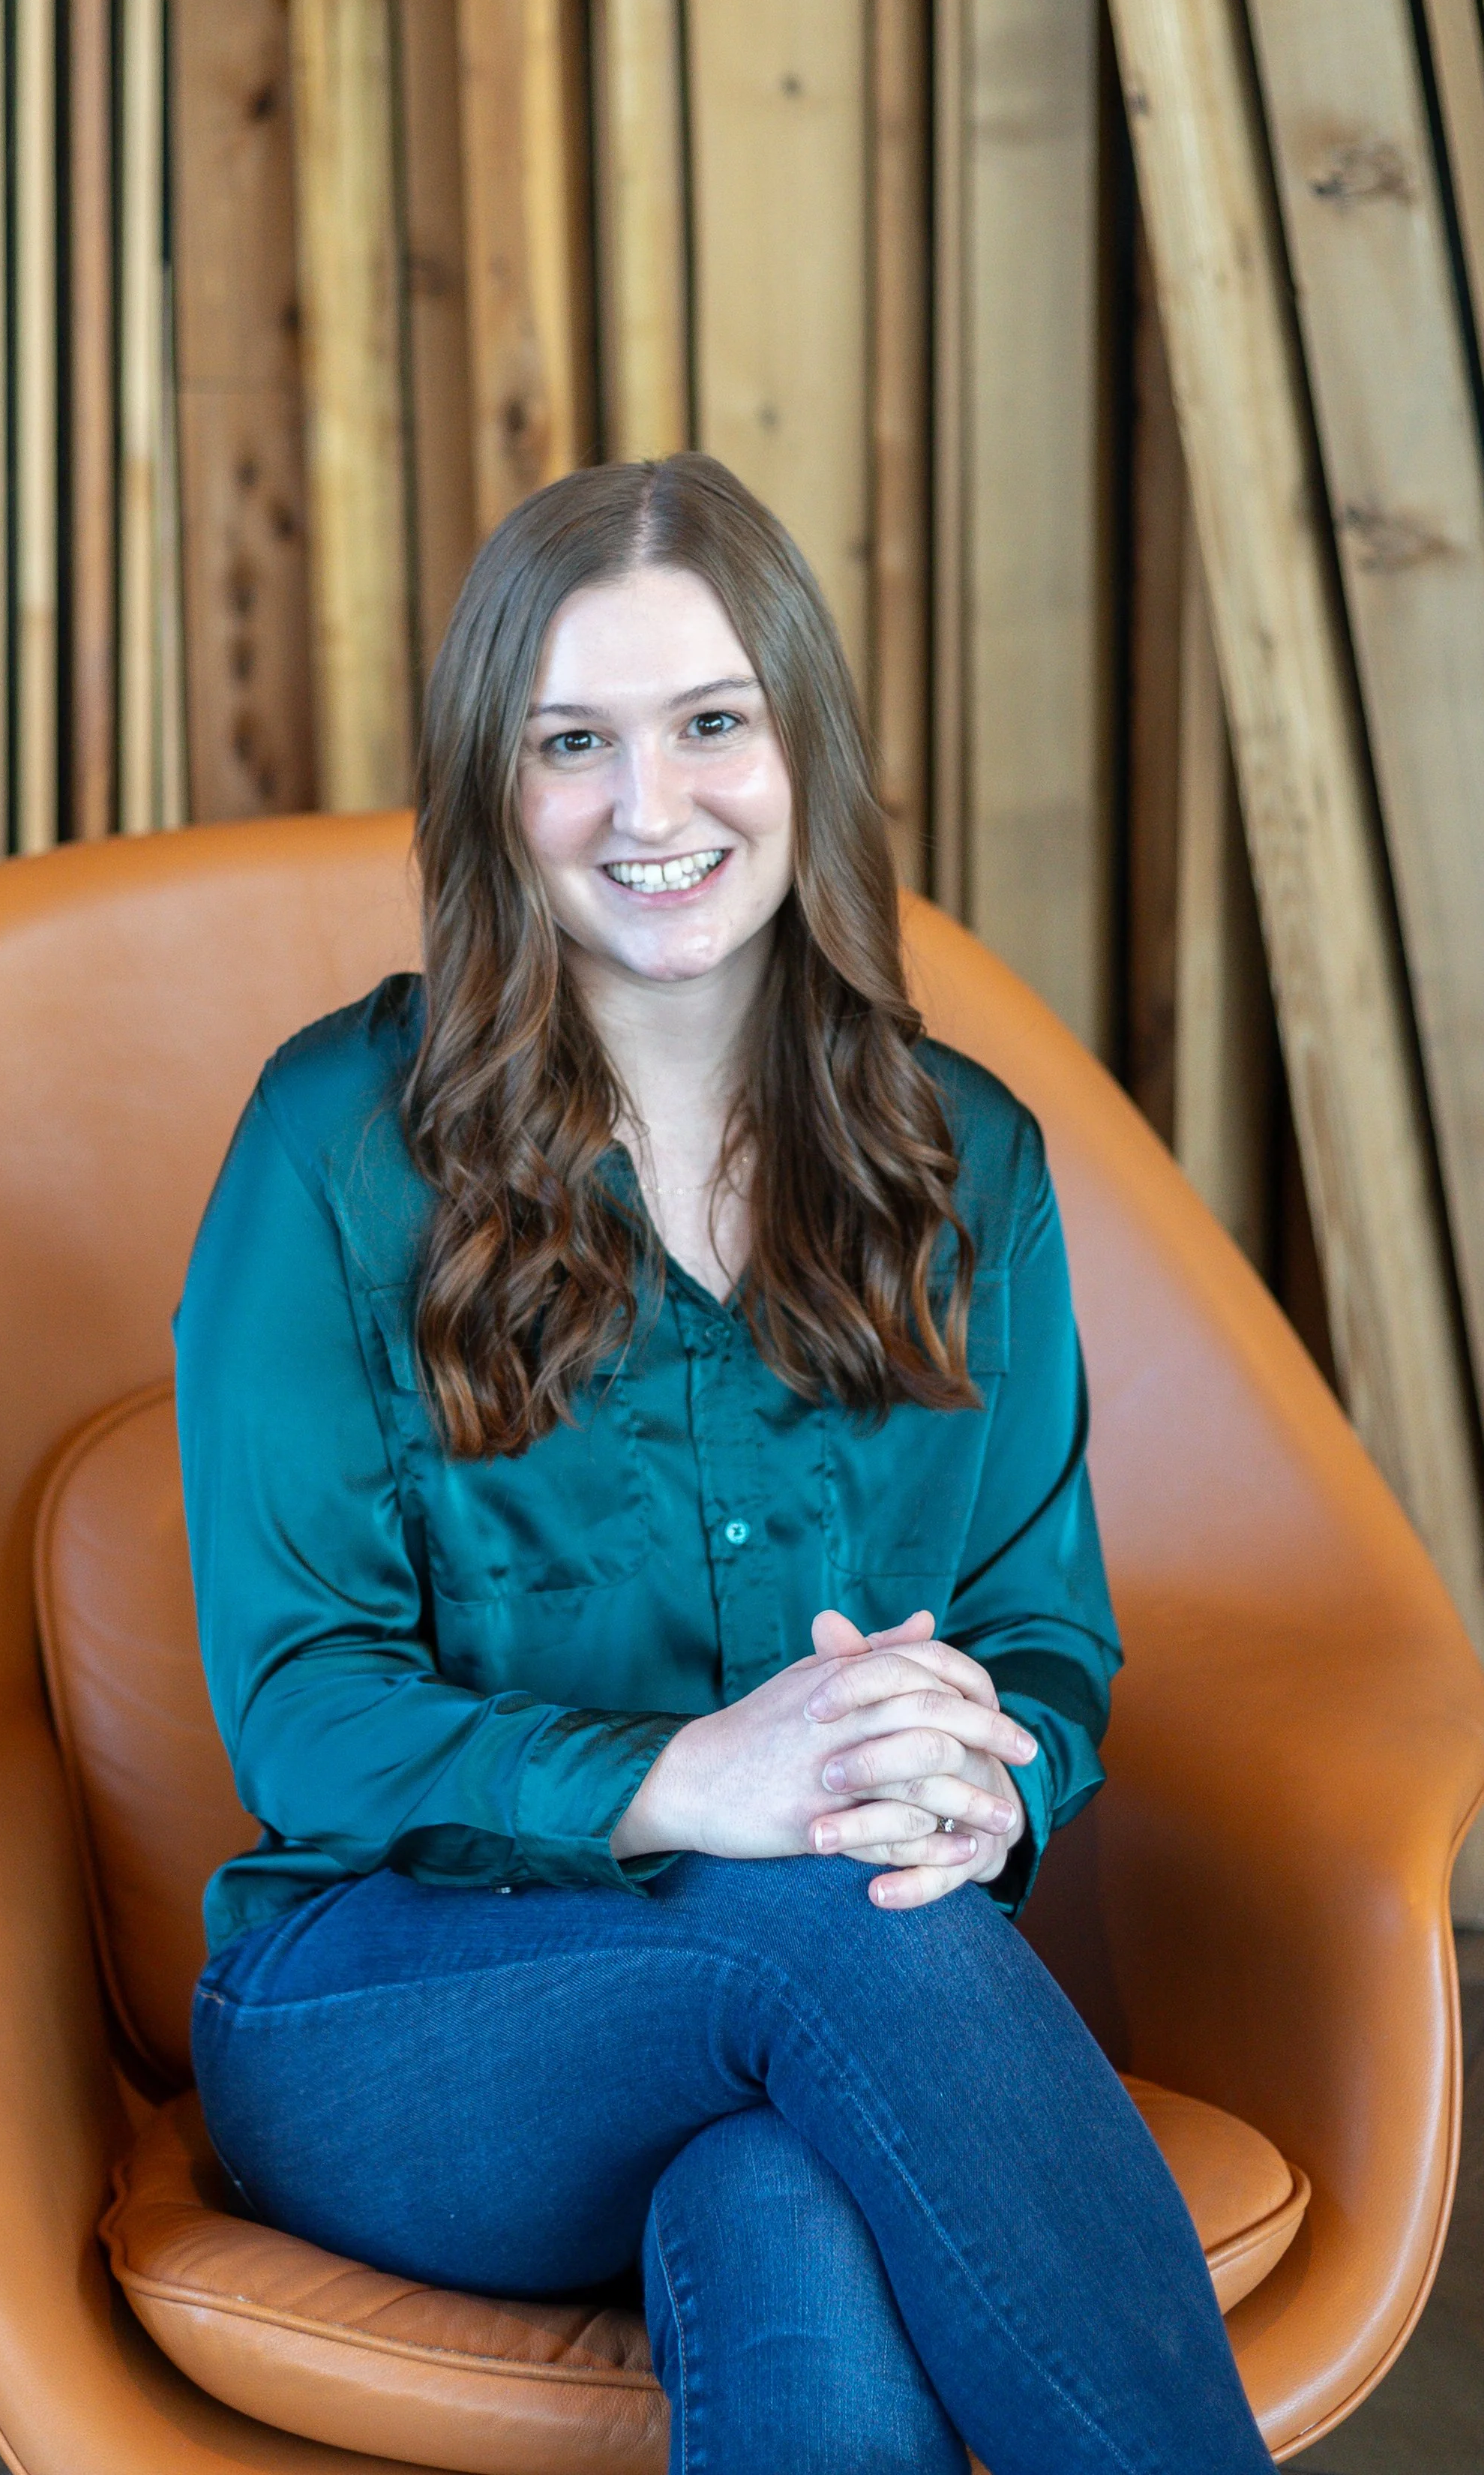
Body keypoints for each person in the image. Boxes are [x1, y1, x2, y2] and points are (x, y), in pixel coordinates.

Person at [175, 454, 1275, 2474]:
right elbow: (299, 1713)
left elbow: (1039, 1634)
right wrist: (700, 1784)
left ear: (803, 755)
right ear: (491, 797)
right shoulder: (331, 1145)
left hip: (822, 2016)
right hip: (396, 2016)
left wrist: (978, 1784)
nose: (650, 807)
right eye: (569, 744)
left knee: (782, 2197)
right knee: (838, 1921)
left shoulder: (966, 1163)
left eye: (709, 726)